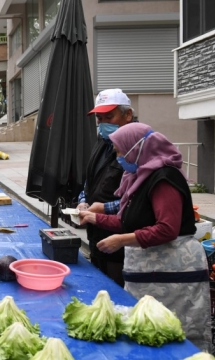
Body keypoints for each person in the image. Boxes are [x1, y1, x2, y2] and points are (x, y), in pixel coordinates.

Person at [79, 122, 211, 350]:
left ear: (137, 147)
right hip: (149, 269)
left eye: (120, 151)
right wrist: (93, 218)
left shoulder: (164, 178)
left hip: (173, 271)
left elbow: (167, 229)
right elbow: (128, 220)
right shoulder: (140, 176)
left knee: (172, 333)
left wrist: (122, 240)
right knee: (143, 330)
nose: (118, 157)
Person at [76, 88, 134, 286]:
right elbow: (90, 180)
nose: (103, 124)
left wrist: (104, 208)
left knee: (117, 289)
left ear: (128, 115)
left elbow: (138, 199)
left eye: (109, 116)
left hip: (122, 238)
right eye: (99, 119)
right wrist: (83, 200)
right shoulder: (102, 142)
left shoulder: (136, 147)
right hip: (96, 231)